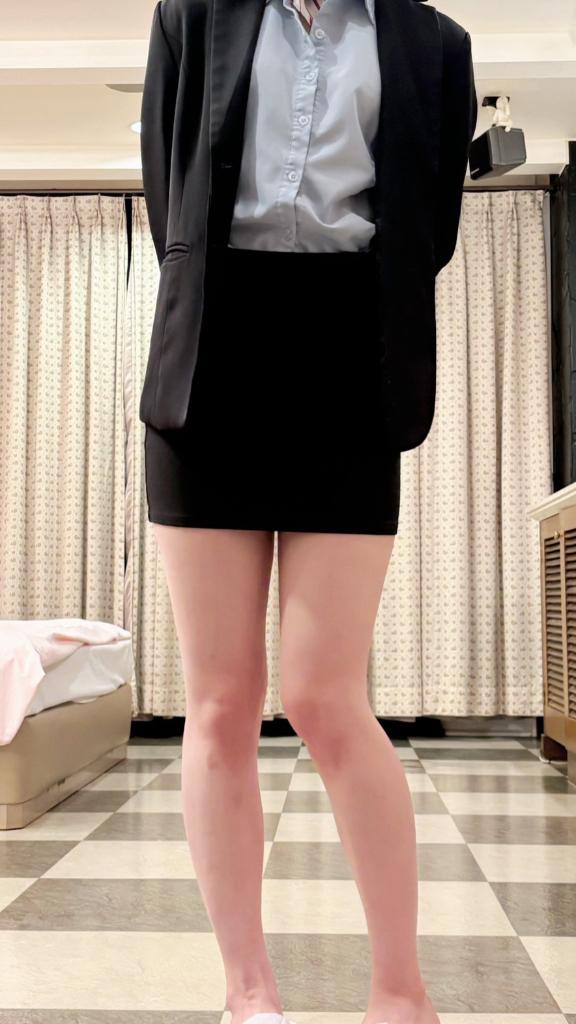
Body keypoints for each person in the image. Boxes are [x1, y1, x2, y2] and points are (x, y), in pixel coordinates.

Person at [139, 0, 478, 1022]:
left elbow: (428, 226)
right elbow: (172, 196)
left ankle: (400, 991)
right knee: (221, 699)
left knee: (327, 696)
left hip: (351, 362)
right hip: (214, 359)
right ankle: (248, 991)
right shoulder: (192, 14)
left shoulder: (434, 44)